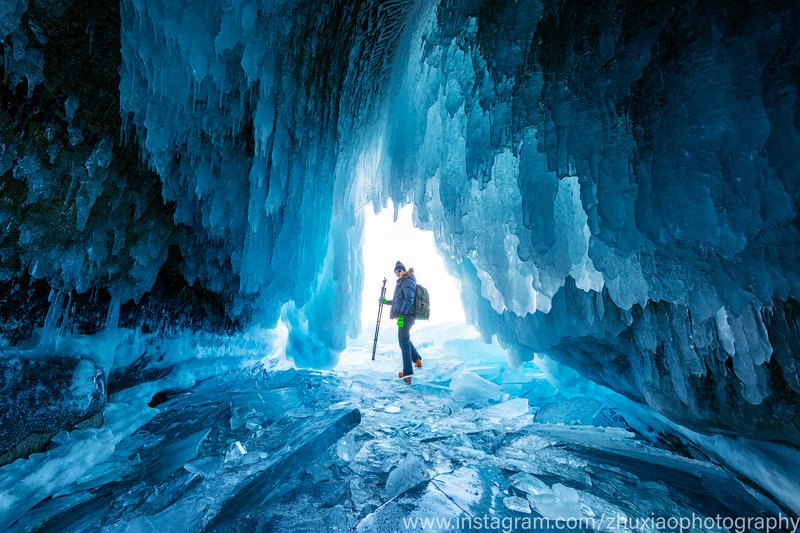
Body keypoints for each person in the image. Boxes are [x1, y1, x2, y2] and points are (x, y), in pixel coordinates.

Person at [379, 261, 422, 383]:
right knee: (405, 339)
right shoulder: (403, 282)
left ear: (403, 270)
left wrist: (402, 315)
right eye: (395, 271)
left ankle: (407, 375)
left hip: (407, 315)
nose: (397, 273)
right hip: (406, 315)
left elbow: (409, 299)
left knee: (403, 342)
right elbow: (398, 300)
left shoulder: (407, 281)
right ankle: (417, 360)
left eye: (399, 270)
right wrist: (386, 301)